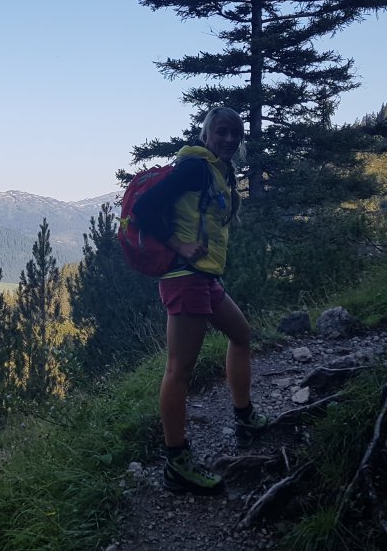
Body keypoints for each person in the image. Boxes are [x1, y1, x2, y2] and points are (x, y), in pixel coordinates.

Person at [133, 106, 267, 495]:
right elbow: (143, 209)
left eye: (235, 134)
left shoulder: (219, 172)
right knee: (179, 369)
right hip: (184, 277)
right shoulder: (194, 167)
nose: (229, 139)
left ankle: (244, 418)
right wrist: (178, 244)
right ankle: (176, 463)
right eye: (222, 131)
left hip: (204, 277)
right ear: (206, 134)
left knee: (241, 334)